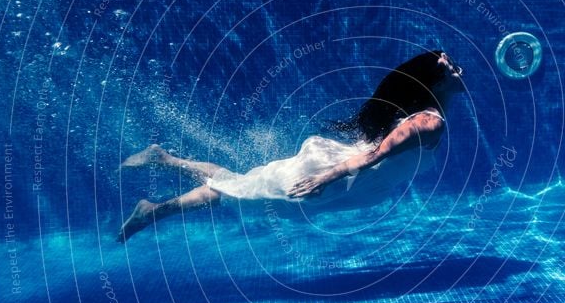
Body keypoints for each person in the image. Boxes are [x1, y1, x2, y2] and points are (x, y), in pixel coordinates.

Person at [117, 50, 465, 242]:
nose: (459, 72)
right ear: (434, 80)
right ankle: (153, 209)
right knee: (238, 191)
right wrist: (324, 179)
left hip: (350, 182)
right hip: (334, 178)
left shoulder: (428, 114)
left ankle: (164, 160)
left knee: (241, 184)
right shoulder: (428, 122)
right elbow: (375, 154)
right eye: (451, 68)